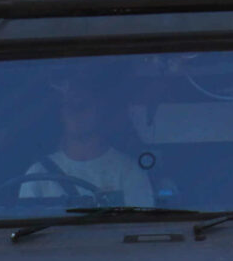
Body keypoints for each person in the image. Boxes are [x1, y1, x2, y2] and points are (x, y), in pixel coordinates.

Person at [20, 86, 154, 208]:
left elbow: (141, 227)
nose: (76, 112)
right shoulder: (38, 174)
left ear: (101, 112)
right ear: (61, 114)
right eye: (69, 105)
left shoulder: (128, 171)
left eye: (83, 105)